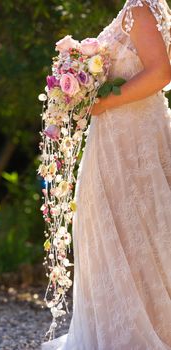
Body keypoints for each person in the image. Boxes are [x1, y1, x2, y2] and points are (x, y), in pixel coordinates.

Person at [41, 0, 171, 348]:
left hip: (129, 139)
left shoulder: (140, 7)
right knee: (132, 230)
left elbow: (160, 73)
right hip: (123, 138)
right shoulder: (145, 6)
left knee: (135, 229)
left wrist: (102, 102)